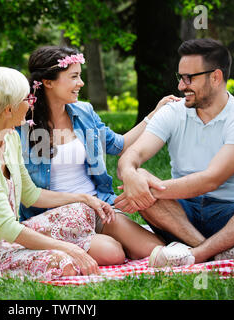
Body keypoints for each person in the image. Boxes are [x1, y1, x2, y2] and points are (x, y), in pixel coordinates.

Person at [115, 38, 234, 267]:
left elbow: (211, 180)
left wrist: (150, 190)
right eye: (180, 78)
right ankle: (216, 251)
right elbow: (132, 155)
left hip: (233, 216)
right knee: (138, 175)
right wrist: (131, 176)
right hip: (179, 216)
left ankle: (196, 254)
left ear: (216, 77)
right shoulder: (173, 112)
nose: (182, 86)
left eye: (189, 78)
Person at [0, 66, 119, 281]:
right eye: (25, 99)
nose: (31, 103)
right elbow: (8, 228)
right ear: (8, 110)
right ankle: (72, 246)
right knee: (62, 262)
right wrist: (68, 248)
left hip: (7, 238)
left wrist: (83, 198)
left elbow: (31, 195)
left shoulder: (9, 137)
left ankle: (76, 242)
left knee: (80, 209)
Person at [16, 45, 179, 263]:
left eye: (80, 76)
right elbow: (26, 192)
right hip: (55, 217)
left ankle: (96, 239)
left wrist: (154, 114)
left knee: (156, 250)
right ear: (48, 82)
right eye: (74, 77)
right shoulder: (22, 125)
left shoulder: (84, 112)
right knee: (113, 253)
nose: (80, 83)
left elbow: (118, 145)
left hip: (98, 206)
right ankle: (72, 245)